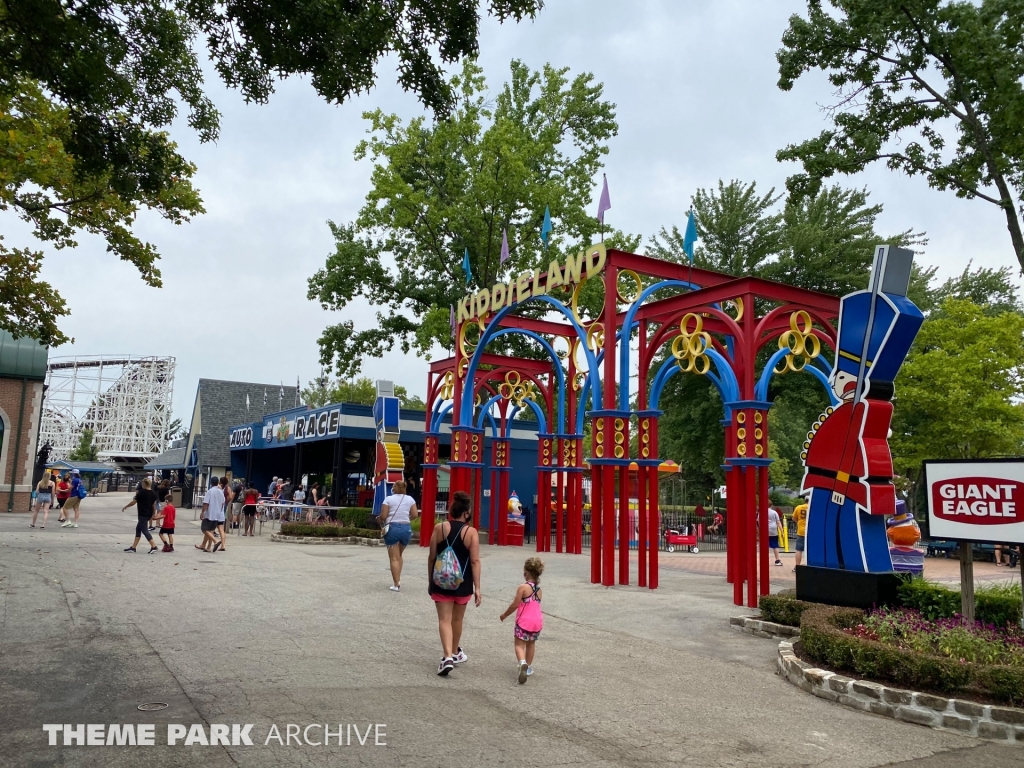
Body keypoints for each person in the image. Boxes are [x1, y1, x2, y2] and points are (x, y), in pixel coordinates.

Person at [427, 490, 481, 676]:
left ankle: (447, 656)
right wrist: (478, 588)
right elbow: (474, 561)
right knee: (457, 619)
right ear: (466, 513)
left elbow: (432, 556)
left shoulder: (439, 528)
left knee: (444, 619)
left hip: (441, 580)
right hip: (463, 583)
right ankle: (455, 652)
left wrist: (430, 580)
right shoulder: (471, 532)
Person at [499, 557, 545, 684]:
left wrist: (504, 615)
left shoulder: (523, 588)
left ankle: (522, 663)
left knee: (519, 644)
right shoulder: (539, 591)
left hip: (523, 622)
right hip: (537, 622)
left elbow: (515, 605)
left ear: (526, 572)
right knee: (531, 644)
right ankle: (528, 667)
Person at [378, 480, 419, 591]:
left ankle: (396, 584)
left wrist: (379, 518)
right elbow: (415, 514)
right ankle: (398, 579)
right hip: (406, 529)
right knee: (399, 555)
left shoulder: (388, 499)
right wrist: (406, 519)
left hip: (393, 528)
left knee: (394, 558)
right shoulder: (410, 499)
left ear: (394, 488)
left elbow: (384, 515)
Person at [122, 477, 160, 553]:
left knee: (144, 530)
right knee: (138, 529)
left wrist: (126, 506)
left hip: (142, 513)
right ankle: (133, 547)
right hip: (148, 513)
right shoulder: (153, 493)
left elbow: (134, 502)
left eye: (142, 483)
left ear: (144, 484)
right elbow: (154, 505)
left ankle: (154, 546)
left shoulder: (141, 492)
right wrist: (153, 514)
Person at [197, 476, 226, 553]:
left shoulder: (210, 491)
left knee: (204, 529)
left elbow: (206, 503)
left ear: (211, 483)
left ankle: (215, 541)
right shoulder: (221, 491)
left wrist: (202, 512)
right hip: (217, 514)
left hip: (209, 513)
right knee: (211, 530)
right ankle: (208, 547)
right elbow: (223, 503)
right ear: (217, 482)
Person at [792, 502, 809, 571]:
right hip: (810, 532)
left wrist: (799, 522)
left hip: (801, 531)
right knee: (810, 550)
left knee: (799, 550)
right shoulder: (813, 507)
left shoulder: (799, 507)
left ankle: (797, 566)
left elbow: (793, 518)